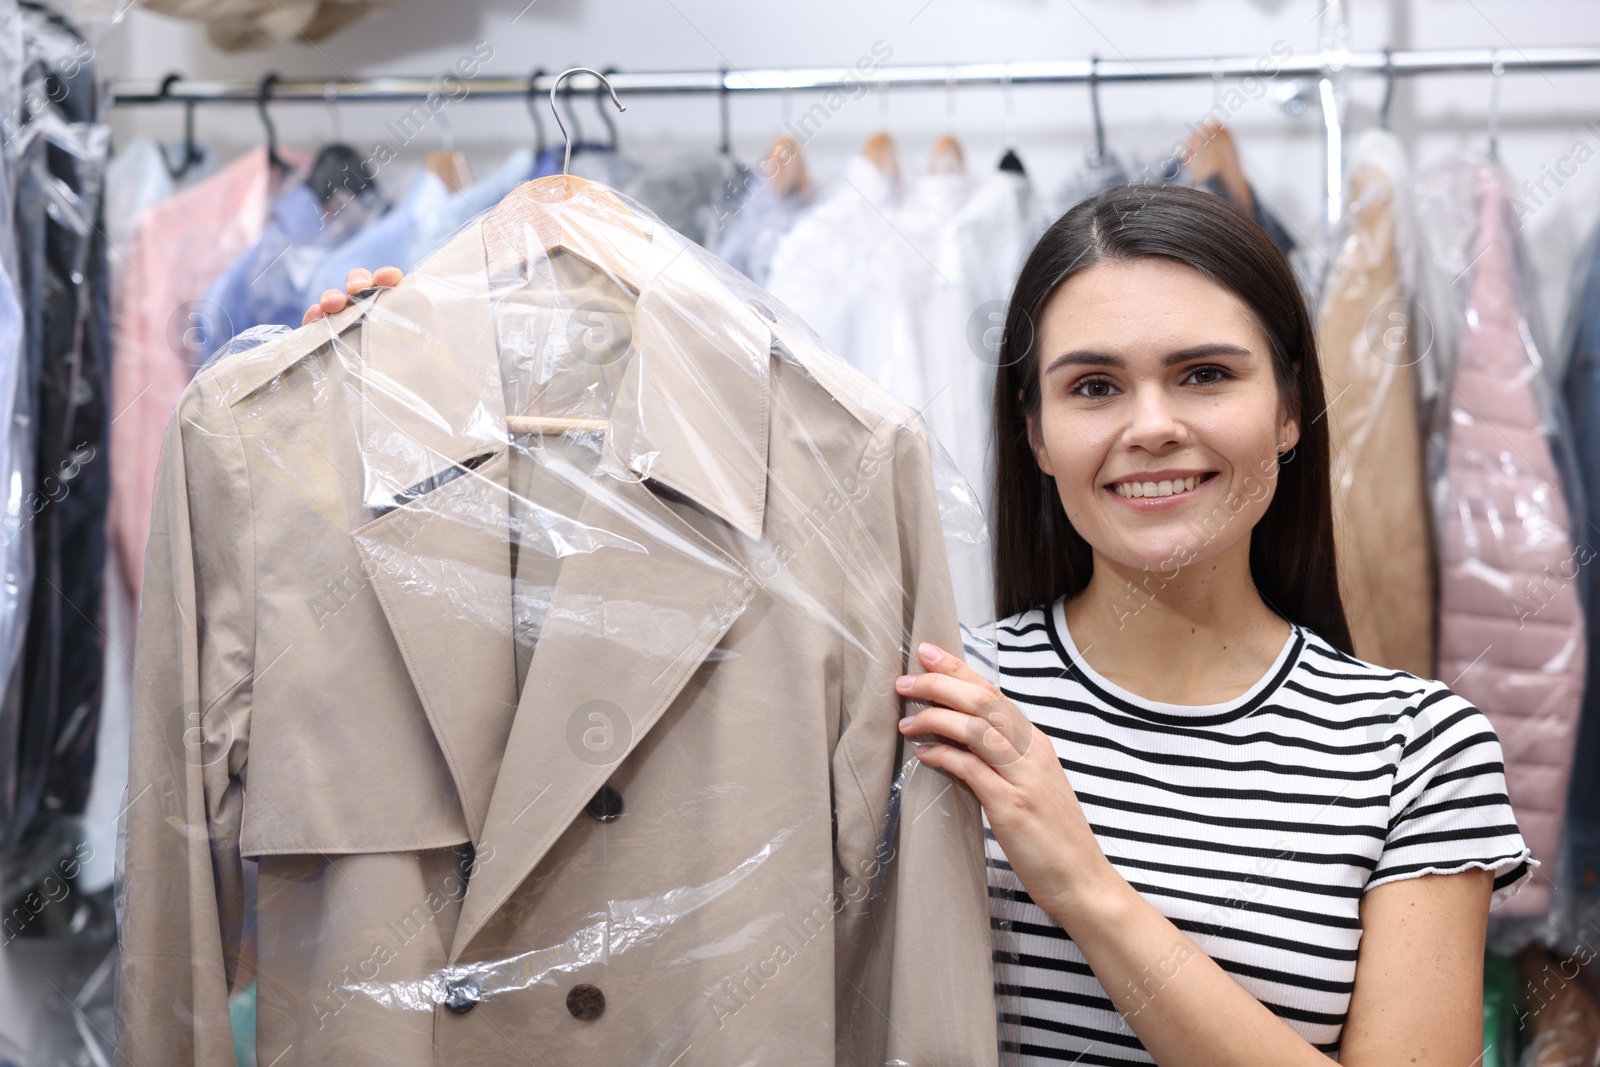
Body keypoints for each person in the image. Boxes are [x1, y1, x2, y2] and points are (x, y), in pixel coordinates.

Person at [312, 182, 1529, 1065]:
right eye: (1093, 385)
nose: (1150, 425)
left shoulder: (1413, 746)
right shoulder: (915, 692)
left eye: (1205, 375)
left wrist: (1080, 882)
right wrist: (438, 379)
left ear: (1291, 413)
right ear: (1037, 434)